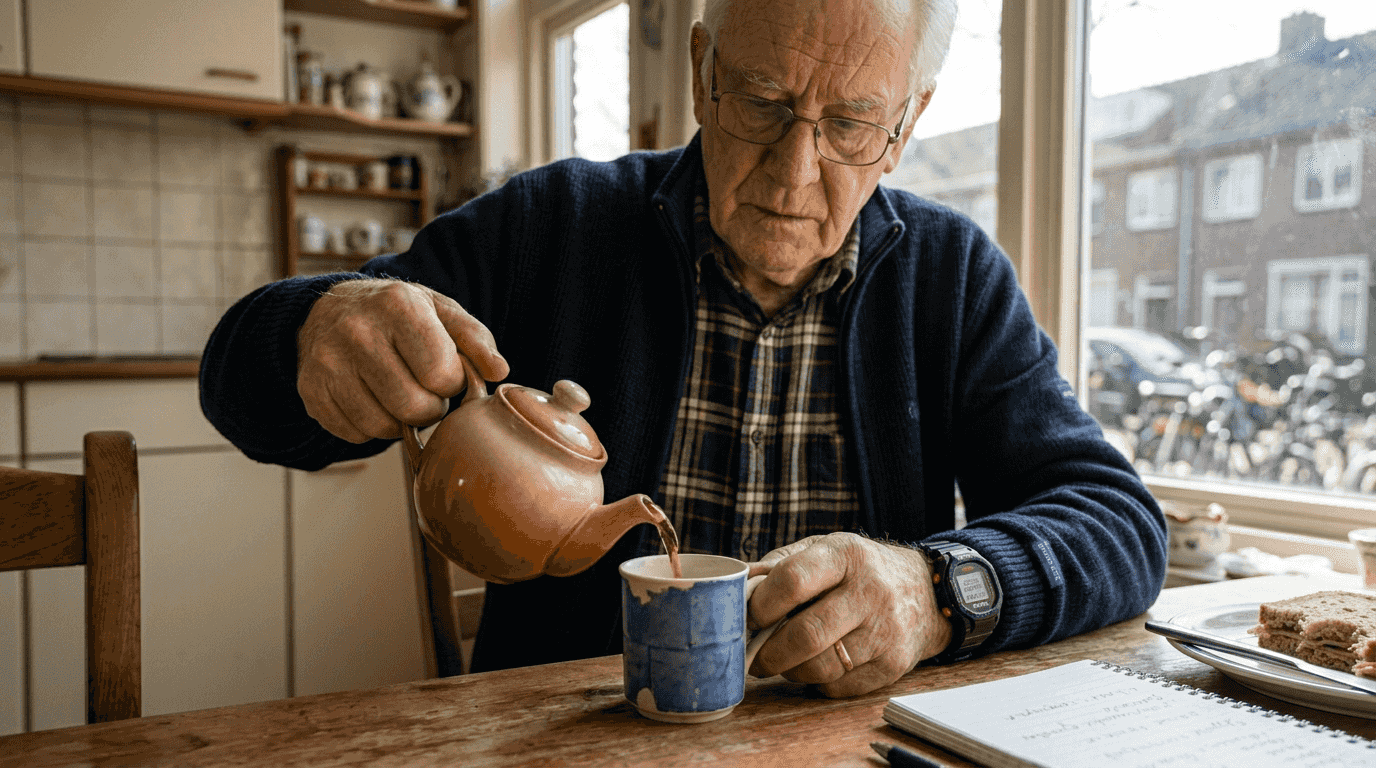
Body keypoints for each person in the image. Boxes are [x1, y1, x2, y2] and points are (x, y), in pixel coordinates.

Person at [200, 0, 1167, 697]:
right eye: (759, 100)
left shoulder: (951, 275)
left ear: (905, 126)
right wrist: (315, 332)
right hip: (566, 744)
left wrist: (937, 588)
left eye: (849, 125)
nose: (796, 172)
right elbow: (239, 388)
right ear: (703, 73)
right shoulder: (555, 222)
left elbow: (1120, 523)